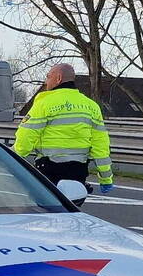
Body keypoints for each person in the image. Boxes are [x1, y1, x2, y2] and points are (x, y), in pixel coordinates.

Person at [13, 63, 114, 193]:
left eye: (48, 77)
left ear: (58, 78)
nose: (46, 81)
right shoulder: (91, 106)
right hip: (79, 172)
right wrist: (106, 178)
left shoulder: (44, 104)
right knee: (71, 209)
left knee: (45, 209)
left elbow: (25, 139)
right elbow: (101, 146)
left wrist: (8, 160)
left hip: (49, 170)